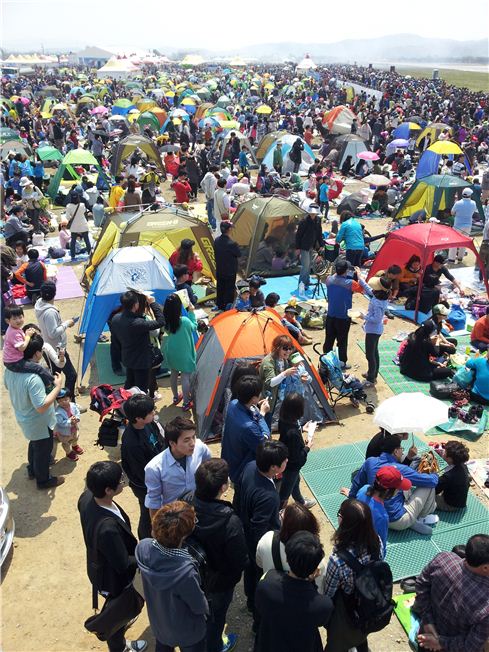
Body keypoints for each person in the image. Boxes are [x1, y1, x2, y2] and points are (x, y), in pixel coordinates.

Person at [78, 462, 146, 652]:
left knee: (116, 613)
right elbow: (123, 564)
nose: (124, 482)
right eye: (120, 481)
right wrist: (146, 555)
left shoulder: (86, 497)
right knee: (116, 616)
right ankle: (119, 647)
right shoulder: (108, 530)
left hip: (99, 564)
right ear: (108, 490)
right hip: (111, 579)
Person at [187, 459, 248, 652]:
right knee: (215, 620)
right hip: (219, 584)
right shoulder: (230, 522)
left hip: (192, 574)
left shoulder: (186, 502)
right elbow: (239, 561)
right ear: (223, 487)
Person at [135, 501, 208, 652]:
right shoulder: (186, 572)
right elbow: (198, 605)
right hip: (188, 632)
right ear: (184, 535)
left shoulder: (143, 547)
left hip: (160, 623)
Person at [255, 531, 333, 652]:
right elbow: (321, 621)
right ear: (315, 569)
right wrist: (311, 583)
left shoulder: (266, 584)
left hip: (271, 643)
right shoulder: (323, 604)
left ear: (287, 559)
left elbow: (260, 607)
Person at [4, 334, 65, 489]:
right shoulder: (34, 378)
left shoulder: (10, 370)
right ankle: (43, 480)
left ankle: (32, 470)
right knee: (43, 450)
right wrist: (58, 387)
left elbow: (7, 386)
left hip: (24, 416)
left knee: (35, 444)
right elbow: (41, 406)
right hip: (39, 422)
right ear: (37, 353)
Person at [323, 499, 383, 652]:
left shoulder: (338, 560)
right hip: (368, 606)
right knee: (361, 635)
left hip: (346, 611)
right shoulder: (377, 543)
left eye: (340, 514)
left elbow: (329, 594)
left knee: (336, 645)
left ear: (345, 523)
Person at [412, 534, 489, 652]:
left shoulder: (443, 559)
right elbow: (471, 646)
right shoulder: (485, 604)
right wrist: (440, 643)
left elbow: (421, 585)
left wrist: (427, 622)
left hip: (426, 639)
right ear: (485, 568)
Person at [349, 436, 439, 535]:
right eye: (401, 449)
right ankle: (421, 518)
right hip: (396, 520)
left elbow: (357, 483)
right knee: (428, 486)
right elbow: (432, 481)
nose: (402, 452)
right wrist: (434, 473)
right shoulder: (399, 469)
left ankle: (411, 518)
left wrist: (350, 501)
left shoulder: (370, 462)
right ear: (396, 451)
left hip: (374, 512)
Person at [239, 440, 288, 615]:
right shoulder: (268, 496)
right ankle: (255, 606)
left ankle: (250, 599)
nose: (287, 461)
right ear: (274, 467)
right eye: (284, 461)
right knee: (258, 573)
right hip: (257, 541)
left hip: (244, 526)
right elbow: (258, 529)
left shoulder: (250, 466)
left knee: (249, 572)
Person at [144, 416, 211, 519]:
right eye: (186, 440)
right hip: (174, 517)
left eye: (193, 437)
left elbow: (208, 466)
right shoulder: (154, 468)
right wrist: (156, 525)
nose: (193, 443)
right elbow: (154, 501)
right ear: (172, 443)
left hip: (199, 507)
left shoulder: (200, 447)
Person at [121, 394, 165, 540]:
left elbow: (160, 441)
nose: (154, 413)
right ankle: (146, 539)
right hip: (144, 486)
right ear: (138, 418)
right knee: (148, 513)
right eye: (151, 412)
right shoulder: (132, 443)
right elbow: (141, 472)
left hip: (158, 474)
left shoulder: (149, 424)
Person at [256, 502, 327, 588]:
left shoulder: (267, 539)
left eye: (281, 516)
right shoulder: (316, 560)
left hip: (271, 589)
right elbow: (319, 588)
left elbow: (259, 563)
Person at [221, 375, 270, 492]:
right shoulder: (249, 427)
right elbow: (264, 441)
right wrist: (262, 413)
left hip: (230, 459)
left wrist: (256, 409)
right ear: (253, 399)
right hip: (242, 469)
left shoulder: (233, 404)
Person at [109, 290, 165, 393]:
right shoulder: (138, 323)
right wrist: (152, 303)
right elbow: (161, 321)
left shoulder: (115, 319)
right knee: (141, 390)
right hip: (141, 362)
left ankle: (124, 401)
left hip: (127, 357)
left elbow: (115, 340)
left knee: (129, 384)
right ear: (135, 305)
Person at [35, 282, 78, 397]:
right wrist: (67, 323)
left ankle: (59, 399)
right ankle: (69, 401)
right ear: (54, 293)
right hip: (56, 348)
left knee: (54, 375)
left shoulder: (39, 304)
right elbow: (53, 333)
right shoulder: (50, 312)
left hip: (48, 346)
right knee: (71, 375)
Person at [323, 260, 370, 368]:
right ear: (346, 271)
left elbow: (336, 279)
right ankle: (342, 362)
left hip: (330, 315)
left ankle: (325, 359)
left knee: (329, 339)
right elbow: (362, 288)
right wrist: (358, 275)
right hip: (343, 317)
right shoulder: (350, 283)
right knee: (342, 340)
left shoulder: (329, 280)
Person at [356, 466, 412, 554]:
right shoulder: (382, 516)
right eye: (398, 489)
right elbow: (381, 545)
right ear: (387, 491)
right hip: (364, 550)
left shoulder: (364, 489)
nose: (399, 491)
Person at [278, 392, 316, 509]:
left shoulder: (283, 421)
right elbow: (297, 458)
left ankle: (300, 501)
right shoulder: (293, 434)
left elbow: (290, 432)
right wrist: (307, 448)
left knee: (295, 482)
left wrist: (302, 428)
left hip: (286, 460)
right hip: (291, 467)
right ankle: (278, 512)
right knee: (285, 493)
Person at [3, 305, 53, 387]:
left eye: (20, 317)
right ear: (7, 321)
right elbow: (21, 348)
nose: (18, 320)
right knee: (38, 368)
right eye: (14, 318)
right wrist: (28, 336)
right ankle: (50, 385)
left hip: (11, 360)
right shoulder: (13, 333)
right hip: (15, 363)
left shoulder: (13, 328)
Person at [163, 293, 197, 411]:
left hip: (172, 352)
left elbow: (167, 331)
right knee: (185, 377)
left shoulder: (166, 322)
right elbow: (194, 327)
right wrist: (191, 312)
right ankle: (186, 402)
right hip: (185, 354)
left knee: (173, 374)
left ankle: (175, 397)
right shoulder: (185, 321)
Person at [361, 275, 391, 386]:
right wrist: (360, 278)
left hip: (373, 331)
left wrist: (363, 316)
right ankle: (373, 373)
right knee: (374, 352)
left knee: (370, 355)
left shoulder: (378, 302)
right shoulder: (380, 295)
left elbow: (377, 319)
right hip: (375, 330)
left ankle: (371, 379)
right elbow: (368, 289)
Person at [259, 334, 296, 424]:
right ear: (277, 348)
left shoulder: (284, 360)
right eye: (285, 348)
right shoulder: (268, 362)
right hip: (266, 399)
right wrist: (285, 373)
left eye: (290, 348)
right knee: (265, 422)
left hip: (278, 397)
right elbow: (270, 382)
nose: (288, 351)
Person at [295, 203, 324, 291]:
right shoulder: (304, 221)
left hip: (312, 245)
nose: (313, 214)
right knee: (305, 266)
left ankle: (306, 281)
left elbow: (319, 233)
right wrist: (297, 248)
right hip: (304, 246)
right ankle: (302, 284)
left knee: (309, 265)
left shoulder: (318, 220)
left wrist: (321, 245)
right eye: (312, 213)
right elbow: (298, 235)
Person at [435, 440, 470, 511]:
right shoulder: (463, 465)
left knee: (424, 495)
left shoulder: (448, 476)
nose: (443, 452)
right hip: (460, 501)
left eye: (445, 452)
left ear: (450, 459)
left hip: (450, 505)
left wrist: (432, 474)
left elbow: (435, 490)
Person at [213, 221, 240, 311]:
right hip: (230, 271)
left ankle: (219, 305)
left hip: (220, 269)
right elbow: (239, 254)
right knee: (229, 289)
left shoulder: (217, 240)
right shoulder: (232, 243)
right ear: (229, 230)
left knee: (220, 287)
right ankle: (227, 307)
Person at [448, 188, 479, 263]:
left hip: (458, 225)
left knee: (454, 242)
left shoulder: (458, 203)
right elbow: (473, 211)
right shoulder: (473, 203)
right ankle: (460, 258)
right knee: (464, 242)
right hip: (468, 225)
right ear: (470, 195)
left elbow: (452, 213)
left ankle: (451, 259)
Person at [54, 388, 83, 461]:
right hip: (64, 432)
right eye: (60, 401)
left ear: (70, 398)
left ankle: (74, 446)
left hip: (74, 428)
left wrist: (77, 418)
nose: (63, 402)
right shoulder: (58, 412)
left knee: (75, 437)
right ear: (57, 402)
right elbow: (60, 423)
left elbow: (77, 412)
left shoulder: (73, 405)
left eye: (65, 399)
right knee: (66, 443)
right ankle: (69, 452)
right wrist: (70, 421)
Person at [65, 195, 91, 261]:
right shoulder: (82, 205)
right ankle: (90, 254)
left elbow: (67, 217)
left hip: (74, 226)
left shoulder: (68, 206)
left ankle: (73, 256)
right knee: (86, 240)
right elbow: (84, 212)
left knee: (73, 241)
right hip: (83, 224)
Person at [200, 165, 219, 230]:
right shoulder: (213, 178)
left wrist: (205, 191)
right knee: (215, 211)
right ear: (213, 171)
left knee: (209, 210)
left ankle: (210, 222)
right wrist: (212, 196)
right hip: (212, 196)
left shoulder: (206, 176)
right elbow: (212, 188)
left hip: (207, 196)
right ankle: (214, 225)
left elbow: (201, 184)